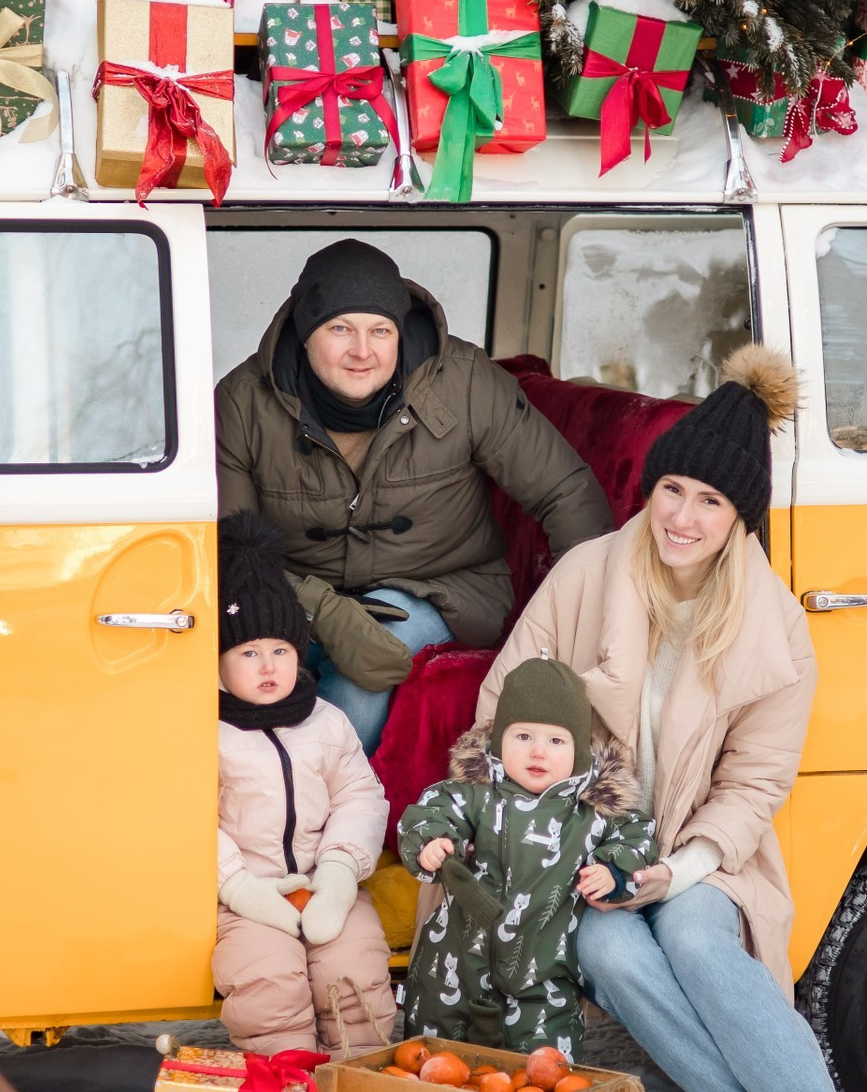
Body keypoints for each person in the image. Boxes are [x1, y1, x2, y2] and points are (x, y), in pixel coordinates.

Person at [472, 344, 867, 1092]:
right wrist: (575, 828)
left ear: (737, 517)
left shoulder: (773, 625)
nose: (682, 516)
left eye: (709, 501)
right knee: (607, 950)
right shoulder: (590, 574)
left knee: (704, 942)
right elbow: (504, 707)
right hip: (588, 847)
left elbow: (755, 783)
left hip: (704, 857)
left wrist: (682, 868)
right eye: (672, 489)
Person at [217, 237, 613, 749]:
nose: (363, 351)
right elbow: (231, 546)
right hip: (298, 592)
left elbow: (565, 491)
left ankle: (321, 800)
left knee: (374, 654)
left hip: (446, 588)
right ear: (305, 332)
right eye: (341, 329)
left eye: (381, 331)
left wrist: (586, 622)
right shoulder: (243, 401)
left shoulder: (466, 383)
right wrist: (321, 609)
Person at [397, 658, 655, 1059]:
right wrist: (432, 841)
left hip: (543, 985)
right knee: (434, 1065)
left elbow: (637, 837)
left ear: (579, 751)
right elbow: (430, 811)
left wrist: (612, 869)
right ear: (500, 739)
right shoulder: (474, 795)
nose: (538, 752)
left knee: (542, 1077)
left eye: (556, 741)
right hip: (452, 972)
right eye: (522, 737)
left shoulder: (592, 813)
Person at [211, 513, 400, 1056]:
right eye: (248, 653)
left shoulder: (326, 720)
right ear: (220, 663)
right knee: (270, 985)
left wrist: (340, 872)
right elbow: (181, 820)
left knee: (355, 974)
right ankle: (290, 1091)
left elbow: (359, 796)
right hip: (245, 895)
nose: (268, 665)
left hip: (325, 884)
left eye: (282, 651)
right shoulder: (206, 733)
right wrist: (237, 886)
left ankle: (360, 1091)